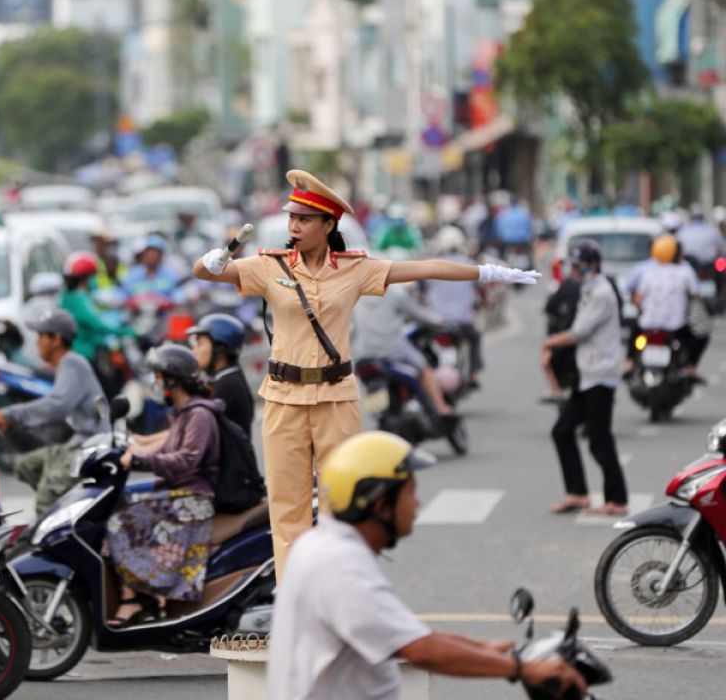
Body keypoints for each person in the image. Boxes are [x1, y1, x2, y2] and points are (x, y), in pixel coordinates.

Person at [193, 169, 538, 580]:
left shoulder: (355, 270)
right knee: (289, 511)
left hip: (336, 399)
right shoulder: (270, 266)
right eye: (292, 219)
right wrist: (211, 260)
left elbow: (423, 268)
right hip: (284, 399)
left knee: (345, 502)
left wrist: (486, 273)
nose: (294, 227)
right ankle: (294, 603)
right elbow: (207, 272)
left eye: (304, 220)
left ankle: (341, 591)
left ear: (328, 225)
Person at [268, 431, 584, 699]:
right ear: (381, 505)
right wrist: (523, 669)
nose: (418, 504)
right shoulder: (341, 567)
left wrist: (482, 647)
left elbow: (400, 632)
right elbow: (420, 649)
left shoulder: (323, 546)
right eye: (411, 493)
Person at [102, 344, 220, 628]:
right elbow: (166, 447)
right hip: (177, 492)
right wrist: (134, 446)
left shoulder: (200, 415)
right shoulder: (182, 413)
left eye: (158, 378)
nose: (155, 384)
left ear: (173, 380)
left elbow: (186, 460)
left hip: (193, 499)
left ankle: (132, 600)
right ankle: (145, 593)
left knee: (119, 523)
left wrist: (139, 461)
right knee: (118, 506)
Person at [0, 309, 109, 514]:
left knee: (46, 500)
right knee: (26, 465)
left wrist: (11, 414)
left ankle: (54, 519)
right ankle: (64, 505)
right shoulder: (67, 365)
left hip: (89, 449)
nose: (37, 342)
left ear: (57, 340)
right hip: (77, 445)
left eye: (41, 336)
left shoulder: (72, 362)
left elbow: (57, 405)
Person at [542, 240, 629, 516]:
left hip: (600, 375)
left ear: (592, 265)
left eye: (579, 265)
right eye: (574, 265)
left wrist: (548, 344)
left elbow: (579, 332)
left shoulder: (601, 292)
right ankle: (578, 493)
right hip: (587, 374)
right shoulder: (589, 290)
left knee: (599, 438)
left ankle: (617, 500)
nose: (575, 270)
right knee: (562, 431)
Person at [354, 270, 456, 418]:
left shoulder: (358, 297)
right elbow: (419, 314)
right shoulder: (394, 294)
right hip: (392, 349)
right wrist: (439, 322)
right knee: (424, 368)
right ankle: (440, 407)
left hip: (364, 354)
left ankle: (379, 413)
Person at [632, 234, 700, 378]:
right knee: (698, 337)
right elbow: (695, 295)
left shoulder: (648, 272)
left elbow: (638, 299)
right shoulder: (685, 271)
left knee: (634, 334)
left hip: (648, 325)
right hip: (676, 326)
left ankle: (628, 364)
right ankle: (690, 367)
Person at [59, 251, 135, 377]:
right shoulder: (79, 300)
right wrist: (129, 331)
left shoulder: (69, 297)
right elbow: (99, 326)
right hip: (83, 354)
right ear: (86, 278)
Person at [425, 226, 484, 387]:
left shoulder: (431, 265)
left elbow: (422, 291)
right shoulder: (470, 265)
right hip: (463, 322)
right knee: (475, 338)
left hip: (437, 322)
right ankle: (473, 374)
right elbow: (480, 290)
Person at [187, 312, 254, 432]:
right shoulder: (227, 377)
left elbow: (197, 433)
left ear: (220, 348)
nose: (194, 350)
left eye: (200, 343)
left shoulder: (227, 385)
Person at [542, 258, 582, 403]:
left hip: (577, 336)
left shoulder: (569, 285)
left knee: (546, 350)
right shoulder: (598, 284)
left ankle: (556, 391)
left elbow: (549, 307)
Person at [120, 235, 182, 300]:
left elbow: (176, 292)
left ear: (161, 256)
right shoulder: (131, 275)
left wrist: (178, 298)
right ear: (143, 255)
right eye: (148, 254)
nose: (151, 258)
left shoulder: (170, 274)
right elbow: (123, 293)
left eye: (155, 254)